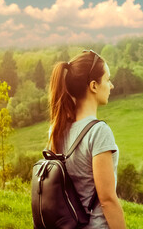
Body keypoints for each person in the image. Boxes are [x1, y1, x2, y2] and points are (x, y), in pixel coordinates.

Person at [48, 50, 126, 229]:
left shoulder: (56, 129)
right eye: (107, 79)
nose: (111, 86)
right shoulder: (98, 132)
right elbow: (107, 200)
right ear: (93, 86)